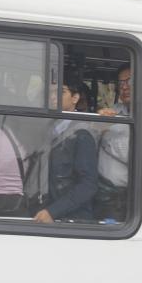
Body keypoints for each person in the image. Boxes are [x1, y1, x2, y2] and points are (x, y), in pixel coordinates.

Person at [94, 63, 142, 221]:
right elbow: (95, 132)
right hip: (103, 191)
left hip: (126, 197)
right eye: (121, 83)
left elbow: (133, 153)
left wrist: (105, 133)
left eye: (130, 81)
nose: (124, 87)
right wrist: (97, 125)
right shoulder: (119, 109)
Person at [33, 80, 98, 223]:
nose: (53, 97)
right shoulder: (49, 128)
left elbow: (88, 185)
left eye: (60, 92)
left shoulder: (82, 133)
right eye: (50, 92)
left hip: (73, 219)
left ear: (75, 98)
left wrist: (53, 211)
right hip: (49, 212)